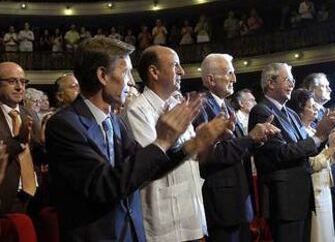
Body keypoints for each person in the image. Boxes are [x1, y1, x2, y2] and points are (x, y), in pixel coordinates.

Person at [45, 38, 232, 242]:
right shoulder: (65, 125)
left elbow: (149, 168)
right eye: (125, 72)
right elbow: (105, 185)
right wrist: (162, 140)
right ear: (102, 76)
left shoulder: (114, 122)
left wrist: (194, 143)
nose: (131, 81)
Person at [123, 46, 207, 241]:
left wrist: (205, 140)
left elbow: (192, 158)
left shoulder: (178, 105)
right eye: (175, 65)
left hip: (190, 212)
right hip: (165, 221)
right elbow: (150, 165)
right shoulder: (137, 110)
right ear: (154, 72)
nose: (182, 71)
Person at [193, 53, 279, 242]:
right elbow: (210, 155)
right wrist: (249, 138)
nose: (234, 79)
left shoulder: (228, 107)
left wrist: (258, 139)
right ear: (210, 79)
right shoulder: (200, 107)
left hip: (239, 198)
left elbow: (238, 148)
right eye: (229, 73)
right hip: (221, 203)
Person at [248, 63, 335, 242]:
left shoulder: (291, 113)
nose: (292, 84)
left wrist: (324, 135)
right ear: (270, 83)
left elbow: (308, 149)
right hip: (283, 199)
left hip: (301, 196)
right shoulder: (261, 111)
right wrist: (318, 136)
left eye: (293, 80)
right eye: (287, 79)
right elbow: (280, 153)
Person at [290, 88, 335, 242]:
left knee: (328, 231)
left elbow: (328, 158)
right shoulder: (300, 133)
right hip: (313, 187)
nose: (315, 110)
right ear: (299, 109)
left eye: (315, 106)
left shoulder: (313, 129)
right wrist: (333, 147)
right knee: (318, 233)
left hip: (324, 185)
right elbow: (311, 163)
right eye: (311, 107)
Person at [0, 62, 38, 214]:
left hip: (34, 197)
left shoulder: (31, 115)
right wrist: (19, 142)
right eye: (12, 81)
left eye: (23, 82)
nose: (19, 87)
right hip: (6, 199)